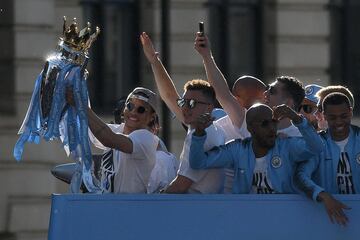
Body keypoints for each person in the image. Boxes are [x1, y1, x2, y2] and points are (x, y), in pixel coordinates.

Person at [141, 32, 226, 194]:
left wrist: (153, 202)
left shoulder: (202, 134)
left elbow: (181, 186)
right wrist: (154, 60)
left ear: (209, 107)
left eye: (192, 104)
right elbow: (169, 96)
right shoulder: (205, 128)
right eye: (184, 103)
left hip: (197, 213)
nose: (185, 108)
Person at [188, 103, 324, 194]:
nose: (272, 128)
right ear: (250, 128)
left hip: (282, 217)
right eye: (265, 124)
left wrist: (297, 119)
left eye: (274, 122)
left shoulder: (286, 146)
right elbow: (198, 163)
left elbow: (317, 148)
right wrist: (199, 134)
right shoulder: (237, 149)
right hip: (247, 219)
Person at [67, 87, 160, 193]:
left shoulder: (147, 138)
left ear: (152, 117)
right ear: (124, 108)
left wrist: (81, 106)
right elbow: (89, 129)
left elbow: (108, 139)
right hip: (108, 205)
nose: (133, 112)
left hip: (129, 207)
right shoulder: (118, 130)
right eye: (130, 106)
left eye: (141, 110)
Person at [295, 92, 359, 226]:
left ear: (351, 112)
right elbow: (300, 176)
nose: (339, 122)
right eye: (332, 117)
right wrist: (323, 196)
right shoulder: (317, 143)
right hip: (326, 220)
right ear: (323, 115)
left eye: (344, 116)